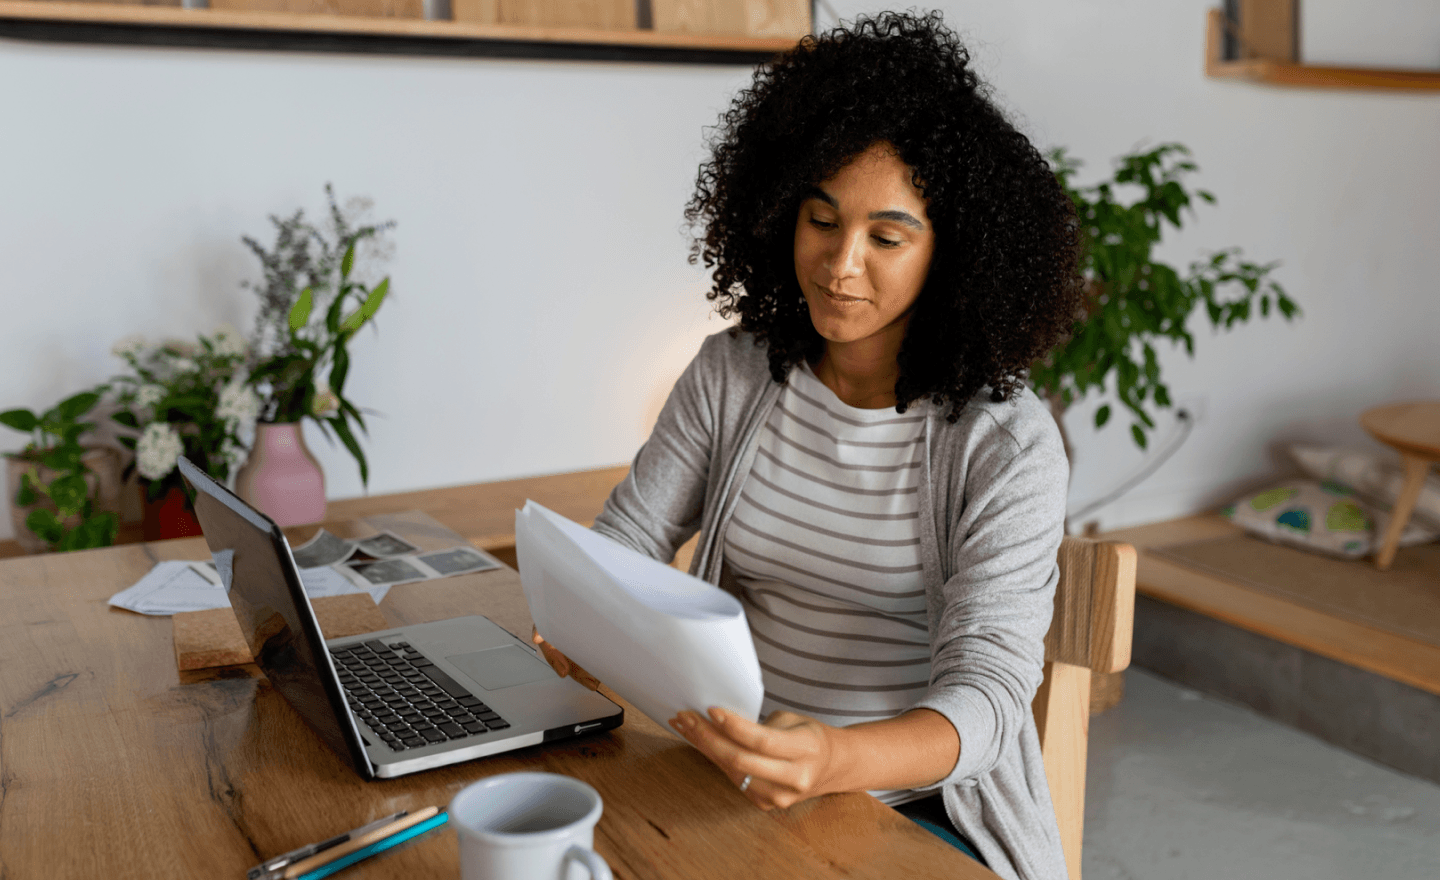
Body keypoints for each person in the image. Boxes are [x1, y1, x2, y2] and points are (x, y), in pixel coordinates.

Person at [534, 11, 1082, 880]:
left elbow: (987, 702)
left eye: (887, 238)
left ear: (953, 254)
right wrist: (584, 616)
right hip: (726, 781)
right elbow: (627, 546)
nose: (841, 264)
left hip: (915, 814)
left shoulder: (1003, 446)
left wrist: (833, 760)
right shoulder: (734, 373)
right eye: (822, 220)